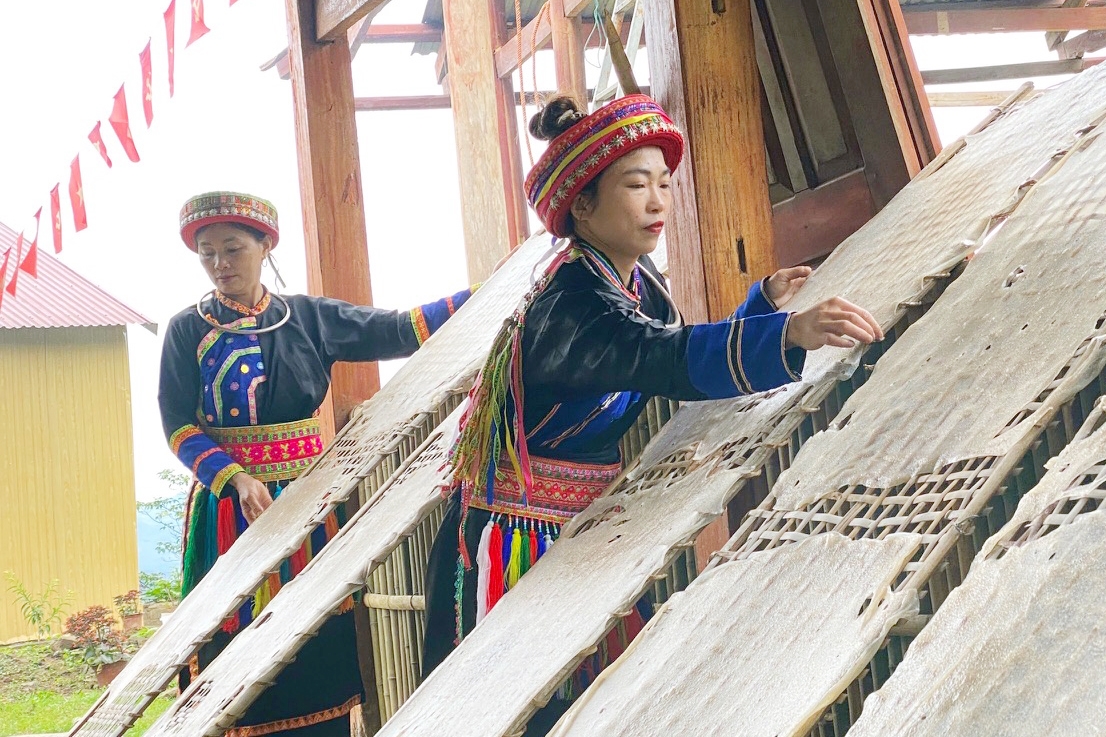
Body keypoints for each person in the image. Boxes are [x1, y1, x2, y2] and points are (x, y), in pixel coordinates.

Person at [421, 95, 883, 728]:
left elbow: (673, 351)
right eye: (637, 185)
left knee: (600, 706)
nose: (658, 201)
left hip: (577, 532)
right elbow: (661, 357)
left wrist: (762, 308)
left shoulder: (637, 284)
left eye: (664, 183)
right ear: (582, 205)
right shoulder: (572, 301)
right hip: (511, 538)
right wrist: (787, 333)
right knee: (515, 712)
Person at [159, 191, 475, 736]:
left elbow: (399, 329)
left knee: (314, 628)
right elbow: (177, 425)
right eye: (207, 253)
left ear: (265, 246)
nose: (220, 264)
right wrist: (234, 477)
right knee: (238, 632)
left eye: (233, 249)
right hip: (233, 510)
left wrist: (485, 292)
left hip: (309, 503)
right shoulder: (187, 330)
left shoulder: (307, 319)